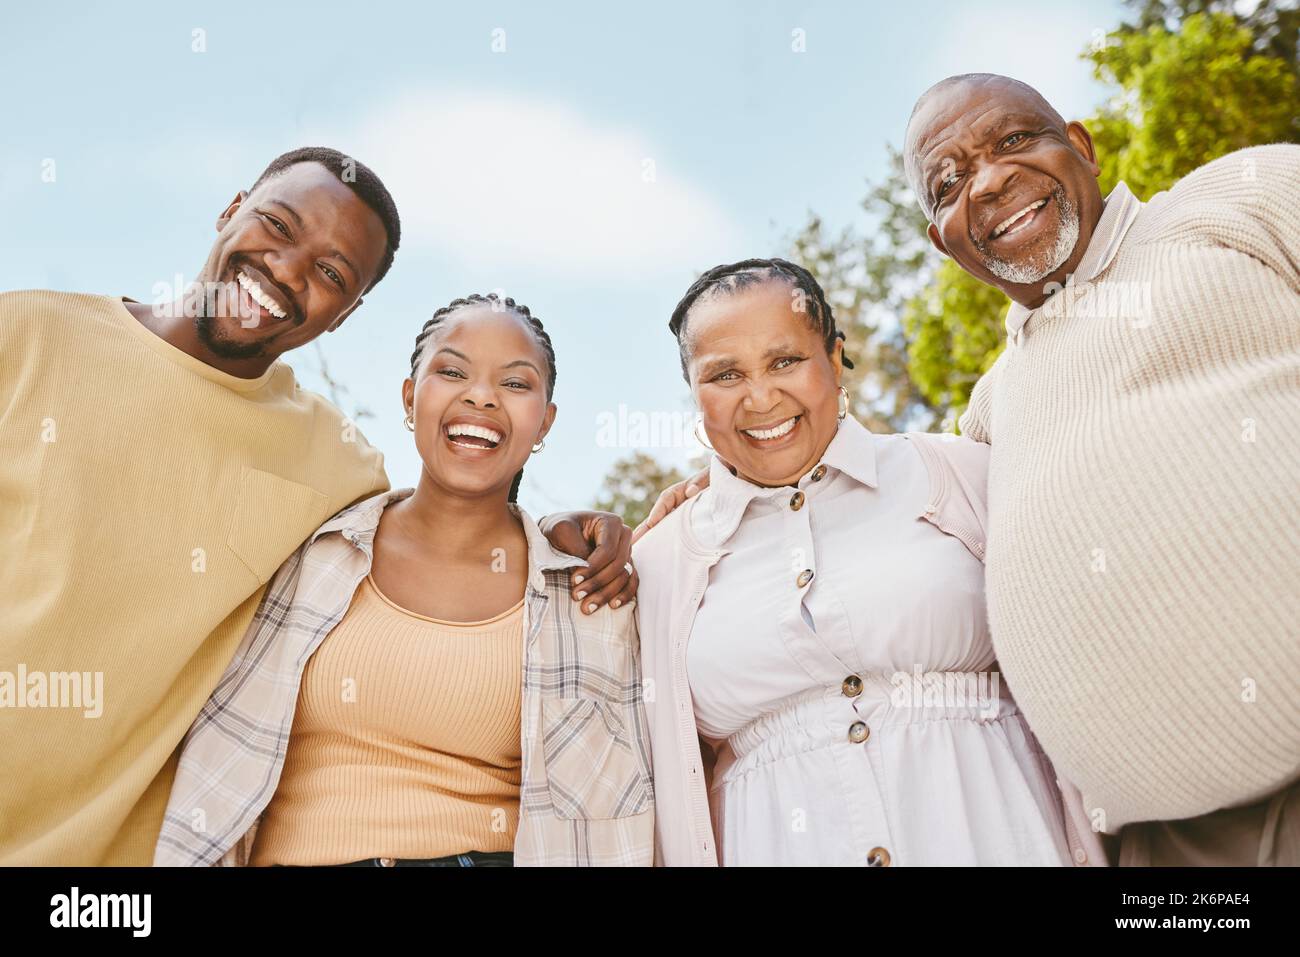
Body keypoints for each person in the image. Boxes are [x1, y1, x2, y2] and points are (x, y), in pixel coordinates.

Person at [644, 75, 1300, 866]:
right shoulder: (995, 410)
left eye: (1015, 140)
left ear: (1083, 148)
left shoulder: (1238, 204)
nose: (987, 180)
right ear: (943, 238)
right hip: (1168, 846)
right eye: (949, 182)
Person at [0, 150, 634, 866]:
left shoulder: (336, 466)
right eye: (276, 223)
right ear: (231, 208)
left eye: (332, 272)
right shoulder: (25, 335)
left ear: (347, 313)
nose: (287, 269)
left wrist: (564, 532)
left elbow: (451, 516)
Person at [155, 294, 653, 867]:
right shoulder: (308, 548)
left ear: (545, 421)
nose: (481, 395)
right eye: (452, 371)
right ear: (411, 398)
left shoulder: (589, 593)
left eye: (515, 384)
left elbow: (624, 800)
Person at [632, 258, 1101, 866]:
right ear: (695, 394)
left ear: (832, 357)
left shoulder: (961, 474)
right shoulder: (659, 564)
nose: (761, 396)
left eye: (786, 361)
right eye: (725, 375)